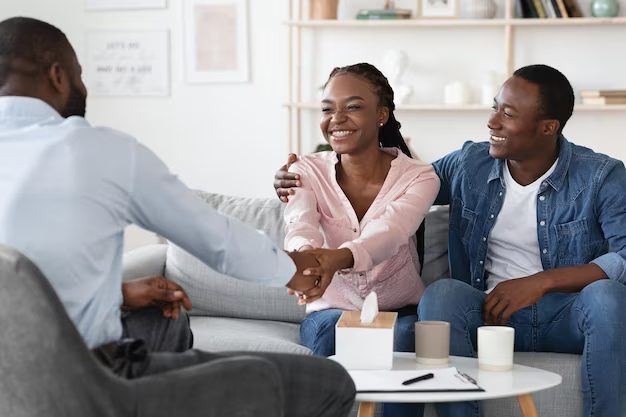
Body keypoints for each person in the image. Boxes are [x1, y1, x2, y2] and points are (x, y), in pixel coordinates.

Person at [0, 16, 355, 417]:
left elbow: (18, 276)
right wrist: (293, 268)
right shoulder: (94, 149)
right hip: (87, 388)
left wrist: (117, 293)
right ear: (57, 75)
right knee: (329, 384)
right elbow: (214, 238)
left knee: (163, 322)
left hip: (14, 390)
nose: (84, 88)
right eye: (80, 76)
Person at [274, 64, 626, 417]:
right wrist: (294, 183)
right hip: (488, 311)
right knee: (441, 294)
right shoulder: (470, 163)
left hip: (565, 312)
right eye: (494, 107)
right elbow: (399, 184)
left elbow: (624, 256)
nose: (492, 122)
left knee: (609, 296)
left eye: (508, 113)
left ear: (548, 126)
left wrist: (540, 282)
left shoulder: (600, 176)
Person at [283, 63, 439, 354]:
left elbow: (391, 232)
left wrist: (336, 259)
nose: (336, 119)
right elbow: (300, 226)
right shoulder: (305, 170)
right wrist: (307, 261)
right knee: (330, 336)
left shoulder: (419, 177)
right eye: (327, 109)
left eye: (352, 107)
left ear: (381, 115)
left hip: (399, 310)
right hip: (330, 312)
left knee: (405, 344)